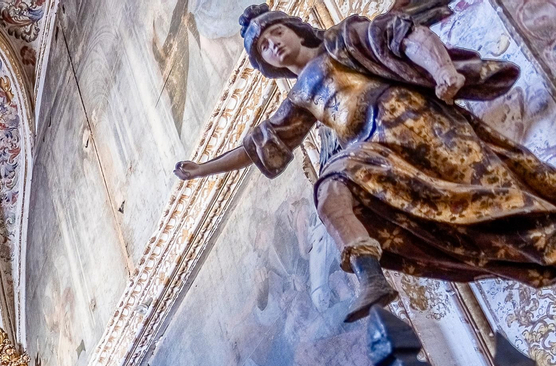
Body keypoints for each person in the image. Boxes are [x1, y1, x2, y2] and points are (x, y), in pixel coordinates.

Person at [175, 4, 556, 323]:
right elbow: (259, 145)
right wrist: (202, 169)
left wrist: (443, 71)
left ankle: (538, 233)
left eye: (274, 33)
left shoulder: (343, 39)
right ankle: (368, 274)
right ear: (265, 64)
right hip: (371, 148)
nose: (272, 45)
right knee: (328, 192)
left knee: (488, 198)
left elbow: (405, 36)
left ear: (293, 29)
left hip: (408, 121)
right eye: (262, 48)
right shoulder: (300, 98)